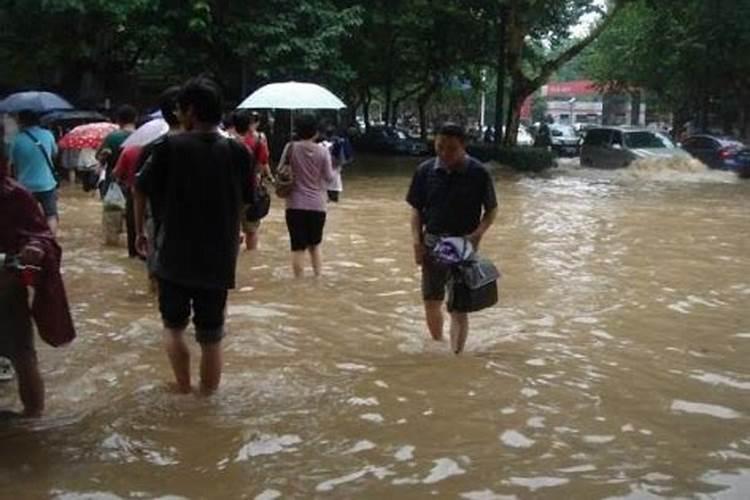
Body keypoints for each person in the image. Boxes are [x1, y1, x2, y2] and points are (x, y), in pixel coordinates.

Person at [134, 77, 253, 395]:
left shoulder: (169, 147)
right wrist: (236, 228)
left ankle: (183, 387)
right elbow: (247, 199)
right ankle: (207, 401)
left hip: (173, 253)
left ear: (190, 110)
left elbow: (140, 187)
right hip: (219, 257)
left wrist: (139, 232)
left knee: (173, 329)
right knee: (212, 337)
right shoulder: (238, 151)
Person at [406, 123, 498, 355]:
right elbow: (416, 211)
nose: (445, 153)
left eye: (452, 149)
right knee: (431, 300)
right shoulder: (425, 171)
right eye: (440, 147)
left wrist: (477, 234)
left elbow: (492, 210)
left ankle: (456, 355)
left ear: (464, 147)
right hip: (432, 241)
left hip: (463, 244)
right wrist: (416, 243)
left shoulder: (478, 173)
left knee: (459, 306)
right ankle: (438, 345)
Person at [0, 142, 76, 417]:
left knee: (22, 353)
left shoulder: (14, 195)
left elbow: (41, 237)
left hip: (7, 287)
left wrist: (34, 249)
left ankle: (32, 418)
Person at [280, 114, 335, 278]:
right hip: (318, 206)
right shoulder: (324, 151)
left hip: (294, 204)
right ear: (316, 132)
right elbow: (329, 178)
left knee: (297, 247)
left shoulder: (290, 147)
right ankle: (318, 278)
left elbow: (281, 170)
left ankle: (299, 283)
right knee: (315, 245)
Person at [9, 110, 59, 236]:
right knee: (51, 215)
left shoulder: (15, 140)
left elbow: (11, 164)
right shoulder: (48, 135)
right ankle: (50, 239)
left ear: (21, 122)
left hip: (24, 187)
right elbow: (55, 153)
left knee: (26, 217)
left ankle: (29, 242)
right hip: (47, 184)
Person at [98, 105, 137, 248]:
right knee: (134, 218)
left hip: (114, 182)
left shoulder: (112, 137)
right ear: (135, 119)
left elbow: (100, 158)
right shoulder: (143, 136)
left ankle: (114, 247)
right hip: (136, 182)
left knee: (112, 220)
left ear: (118, 120)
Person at [234, 111, 271, 251]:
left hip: (229, 190)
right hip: (251, 189)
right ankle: (251, 256)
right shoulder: (258, 141)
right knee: (252, 229)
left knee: (232, 228)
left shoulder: (226, 140)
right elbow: (262, 165)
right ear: (250, 124)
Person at [322, 125, 353, 203]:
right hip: (335, 181)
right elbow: (347, 160)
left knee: (325, 203)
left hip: (323, 181)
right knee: (334, 202)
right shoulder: (340, 144)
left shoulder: (320, 146)